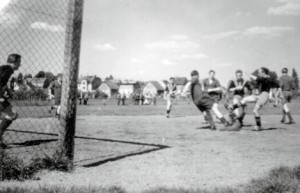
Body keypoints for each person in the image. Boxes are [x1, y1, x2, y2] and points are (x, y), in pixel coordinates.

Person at [0, 54, 22, 148]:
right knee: (12, 114)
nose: (20, 65)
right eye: (19, 62)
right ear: (14, 62)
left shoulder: (6, 69)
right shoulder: (8, 70)